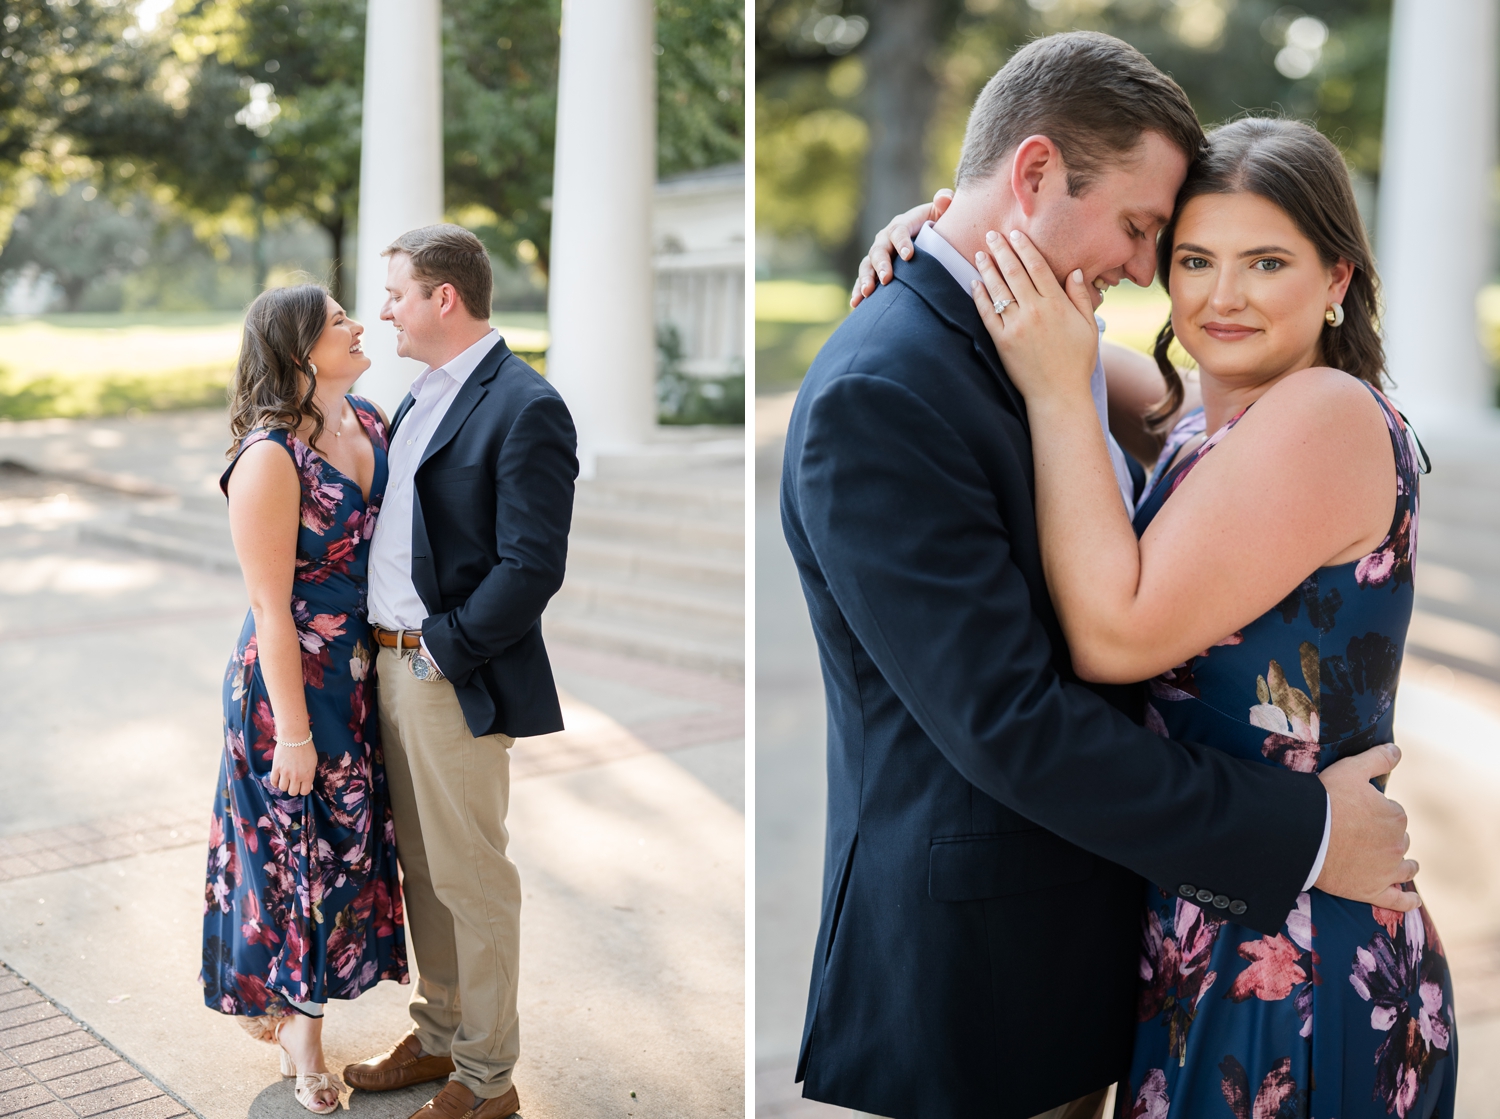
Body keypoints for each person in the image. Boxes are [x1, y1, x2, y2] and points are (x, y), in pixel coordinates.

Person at [781, 32, 1418, 1119]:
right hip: (992, 988)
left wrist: (969, 252)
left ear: (1335, 278)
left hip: (1244, 940)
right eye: (1161, 241)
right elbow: (1011, 722)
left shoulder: (1090, 366)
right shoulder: (893, 388)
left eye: (1267, 261)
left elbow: (1105, 425)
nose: (1146, 272)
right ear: (1032, 175)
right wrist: (1302, 833)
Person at [962, 115, 1455, 1117]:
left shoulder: (1321, 416)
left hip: (1299, 956)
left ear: (1337, 282)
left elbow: (1114, 637)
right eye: (1194, 260)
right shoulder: (1209, 418)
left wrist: (1060, 394)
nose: (1222, 297)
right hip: (1218, 918)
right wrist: (942, 234)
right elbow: (1073, 345)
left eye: (1266, 261)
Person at [339, 224, 578, 1119]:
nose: (384, 309)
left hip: (448, 673)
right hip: (389, 669)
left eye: (396, 291)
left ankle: (486, 1076)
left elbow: (531, 565)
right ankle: (438, 1033)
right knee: (423, 867)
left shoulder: (526, 405)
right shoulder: (418, 397)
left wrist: (442, 650)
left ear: (445, 297)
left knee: (472, 876)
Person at [202, 284, 407, 1115]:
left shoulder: (373, 420)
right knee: (299, 854)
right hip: (285, 686)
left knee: (347, 849)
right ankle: (304, 1040)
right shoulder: (269, 458)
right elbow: (269, 605)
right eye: (338, 322)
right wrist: (292, 733)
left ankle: (291, 1009)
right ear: (298, 354)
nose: (359, 326)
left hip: (358, 674)